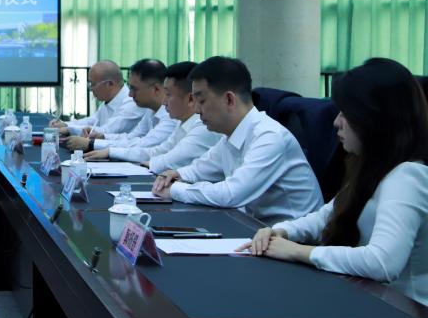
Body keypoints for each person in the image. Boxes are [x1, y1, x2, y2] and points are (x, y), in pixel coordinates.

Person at [241, 58, 428, 305]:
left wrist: (298, 251)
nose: (336, 122)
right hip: (376, 305)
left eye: (346, 113)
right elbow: (325, 217)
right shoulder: (373, 168)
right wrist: (282, 231)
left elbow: (382, 263)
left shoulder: (407, 177)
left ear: (374, 118)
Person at [151, 56, 323, 223]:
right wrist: (177, 175)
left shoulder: (269, 137)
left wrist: (175, 189)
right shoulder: (230, 136)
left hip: (291, 237)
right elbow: (200, 168)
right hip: (256, 228)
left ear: (229, 99)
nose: (196, 110)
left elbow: (231, 194)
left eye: (201, 101)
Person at [83, 61, 223, 173]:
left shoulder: (202, 126)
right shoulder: (181, 122)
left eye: (168, 94)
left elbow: (169, 160)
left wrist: (99, 147)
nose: (164, 101)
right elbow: (158, 150)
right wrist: (110, 151)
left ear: (190, 99)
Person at [68, 60, 175, 152]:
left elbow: (144, 144)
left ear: (156, 89)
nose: (130, 94)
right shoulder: (150, 110)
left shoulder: (172, 114)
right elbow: (131, 137)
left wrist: (92, 144)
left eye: (134, 89)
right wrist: (103, 137)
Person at [49, 60, 148, 139]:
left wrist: (69, 129)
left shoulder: (132, 102)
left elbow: (108, 130)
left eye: (92, 84)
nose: (90, 89)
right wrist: (65, 124)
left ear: (109, 84)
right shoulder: (109, 100)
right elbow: (93, 120)